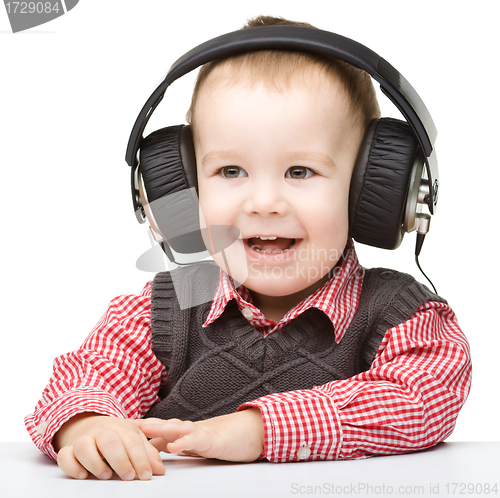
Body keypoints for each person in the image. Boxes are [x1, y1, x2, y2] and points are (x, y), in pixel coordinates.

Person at [24, 16, 471, 481]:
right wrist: (88, 426)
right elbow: (88, 375)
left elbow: (424, 396)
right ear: (184, 189)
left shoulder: (401, 314)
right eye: (231, 171)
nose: (263, 204)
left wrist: (258, 430)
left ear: (370, 193)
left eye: (300, 171)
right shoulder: (160, 310)